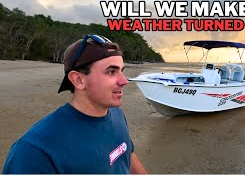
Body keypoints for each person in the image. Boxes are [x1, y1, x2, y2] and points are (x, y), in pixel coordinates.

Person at [2, 34, 148, 174]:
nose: (124, 81)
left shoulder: (117, 115)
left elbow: (127, 154)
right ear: (78, 80)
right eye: (111, 71)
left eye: (121, 71)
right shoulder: (34, 151)